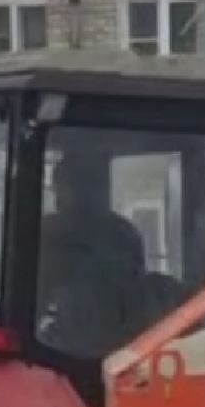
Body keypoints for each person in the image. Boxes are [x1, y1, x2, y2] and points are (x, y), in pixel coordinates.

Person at [38, 146, 148, 355]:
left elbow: (136, 295)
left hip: (118, 347)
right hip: (67, 347)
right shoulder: (47, 233)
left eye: (85, 185)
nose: (71, 193)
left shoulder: (121, 234)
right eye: (64, 186)